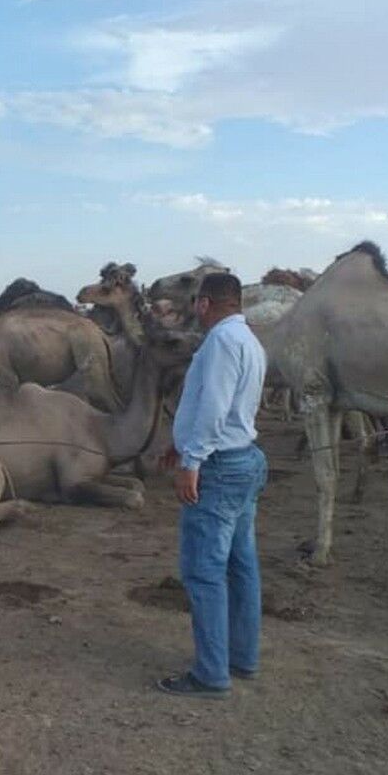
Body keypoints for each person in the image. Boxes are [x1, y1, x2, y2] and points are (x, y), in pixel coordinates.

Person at [156, 272, 268, 700]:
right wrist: (179, 443)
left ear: (204, 304)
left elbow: (215, 407)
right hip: (243, 460)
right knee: (241, 566)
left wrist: (193, 460)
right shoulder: (248, 341)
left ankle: (210, 674)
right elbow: (219, 406)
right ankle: (242, 657)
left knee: (204, 572)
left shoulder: (221, 342)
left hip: (219, 468)